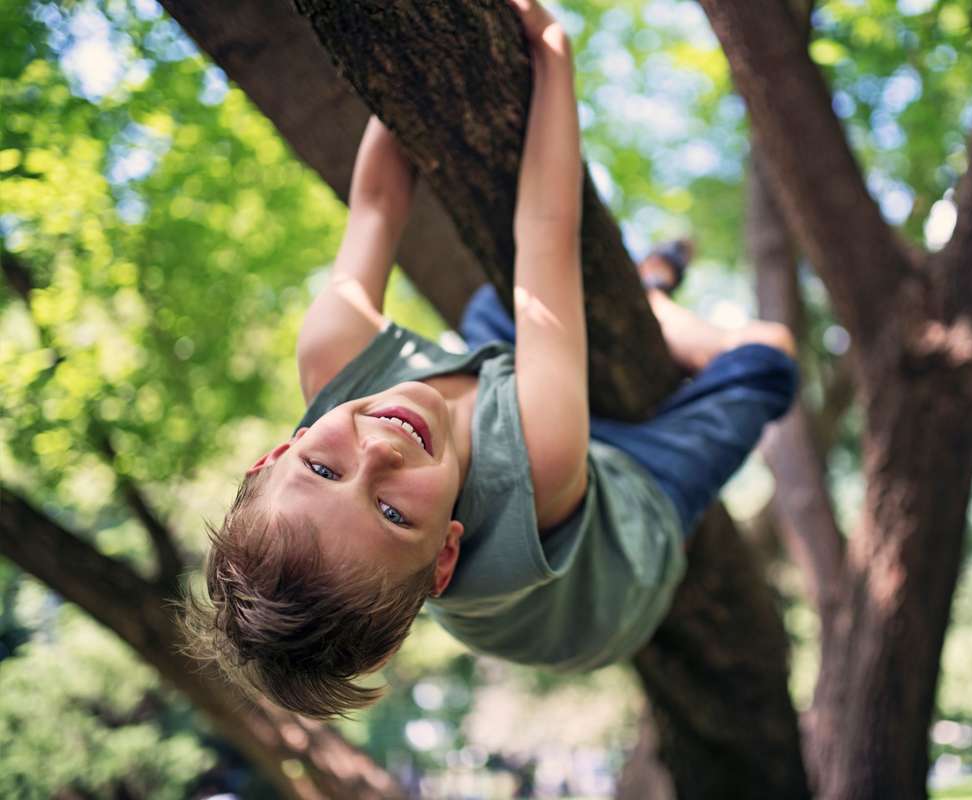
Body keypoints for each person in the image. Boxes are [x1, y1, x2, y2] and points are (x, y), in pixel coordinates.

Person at [183, 0, 797, 719]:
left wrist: (403, 74)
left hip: (526, 412)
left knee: (507, 299)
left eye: (323, 469)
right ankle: (657, 303)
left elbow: (377, 202)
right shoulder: (543, 455)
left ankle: (649, 289)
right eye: (389, 512)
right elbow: (547, 226)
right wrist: (553, 54)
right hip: (618, 554)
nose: (380, 449)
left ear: (275, 454)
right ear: (446, 554)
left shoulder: (333, 356)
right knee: (770, 356)